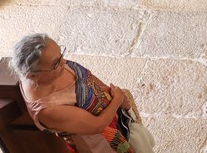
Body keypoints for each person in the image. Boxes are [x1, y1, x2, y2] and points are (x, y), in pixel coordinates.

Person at [11, 33, 153, 151]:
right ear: (31, 75)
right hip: (98, 142)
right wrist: (117, 100)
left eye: (61, 54)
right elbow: (97, 125)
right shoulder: (48, 110)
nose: (64, 61)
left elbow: (88, 77)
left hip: (110, 116)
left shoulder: (53, 67)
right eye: (56, 63)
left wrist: (111, 95)